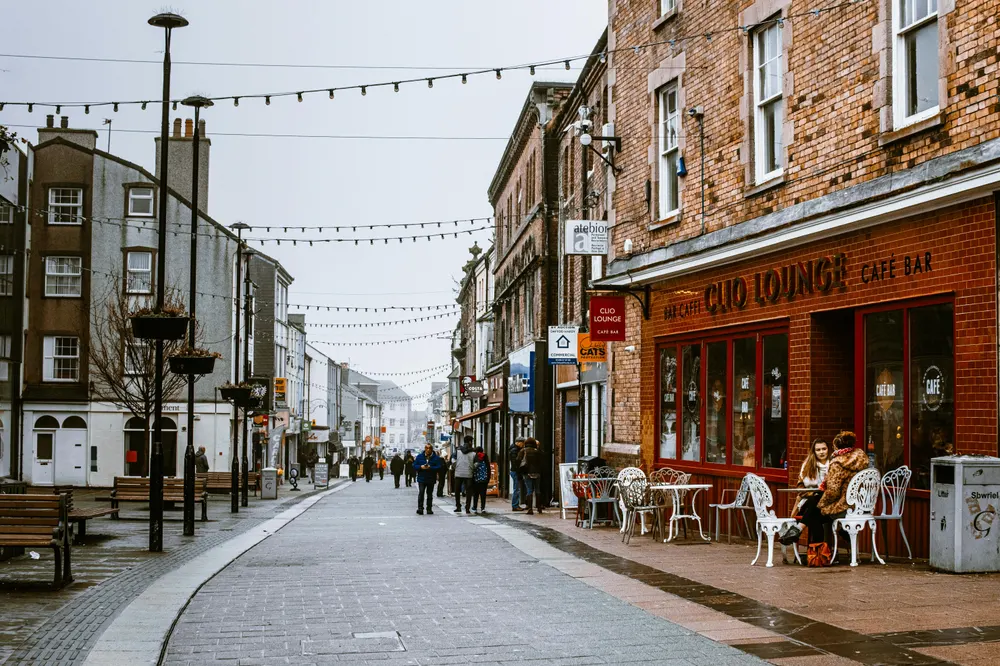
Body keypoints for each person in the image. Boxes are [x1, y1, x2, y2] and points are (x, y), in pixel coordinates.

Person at [781, 431, 866, 546]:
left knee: (814, 511)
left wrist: (821, 497)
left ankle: (805, 538)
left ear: (831, 448)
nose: (821, 452)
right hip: (842, 504)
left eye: (824, 449)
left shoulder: (837, 464)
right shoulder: (857, 461)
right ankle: (821, 553)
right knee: (814, 508)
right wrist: (816, 495)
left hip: (837, 505)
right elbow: (801, 487)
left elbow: (834, 491)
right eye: (818, 450)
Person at [414, 443, 442, 515]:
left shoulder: (436, 458)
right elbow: (414, 465)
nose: (428, 450)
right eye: (426, 448)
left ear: (432, 449)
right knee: (421, 493)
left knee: (429, 494)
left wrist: (431, 467)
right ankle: (420, 508)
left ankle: (429, 508)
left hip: (431, 478)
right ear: (425, 449)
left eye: (429, 448)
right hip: (421, 478)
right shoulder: (419, 457)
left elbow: (439, 467)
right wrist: (421, 467)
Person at [517, 437, 544, 515]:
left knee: (529, 490)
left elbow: (518, 460)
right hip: (537, 473)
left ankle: (530, 508)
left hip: (527, 473)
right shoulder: (538, 452)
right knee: (537, 490)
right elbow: (542, 462)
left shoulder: (523, 451)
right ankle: (539, 507)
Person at [453, 436, 477, 514]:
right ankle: (467, 508)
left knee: (457, 491)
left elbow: (453, 460)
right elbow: (476, 463)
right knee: (469, 492)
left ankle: (458, 507)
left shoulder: (458, 450)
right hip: (469, 474)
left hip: (458, 473)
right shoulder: (473, 452)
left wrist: (456, 467)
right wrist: (472, 467)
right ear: (470, 442)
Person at [470, 446, 490, 514]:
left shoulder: (474, 457)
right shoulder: (485, 457)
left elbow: (472, 468)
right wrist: (488, 478)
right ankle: (483, 508)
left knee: (475, 494)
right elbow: (488, 468)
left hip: (476, 479)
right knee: (483, 494)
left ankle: (475, 508)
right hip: (484, 479)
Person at [508, 438, 525, 511]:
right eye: (522, 443)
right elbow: (515, 463)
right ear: (518, 442)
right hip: (515, 472)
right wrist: (519, 472)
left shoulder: (514, 449)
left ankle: (516, 504)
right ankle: (515, 505)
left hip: (514, 471)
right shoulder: (514, 451)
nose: (523, 445)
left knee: (517, 488)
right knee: (516, 489)